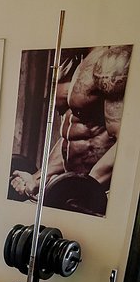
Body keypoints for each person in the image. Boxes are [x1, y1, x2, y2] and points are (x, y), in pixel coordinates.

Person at [10, 45, 132, 205]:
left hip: (96, 193)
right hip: (70, 186)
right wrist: (38, 179)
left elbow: (127, 140)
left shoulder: (111, 62)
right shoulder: (70, 62)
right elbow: (71, 135)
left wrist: (83, 188)